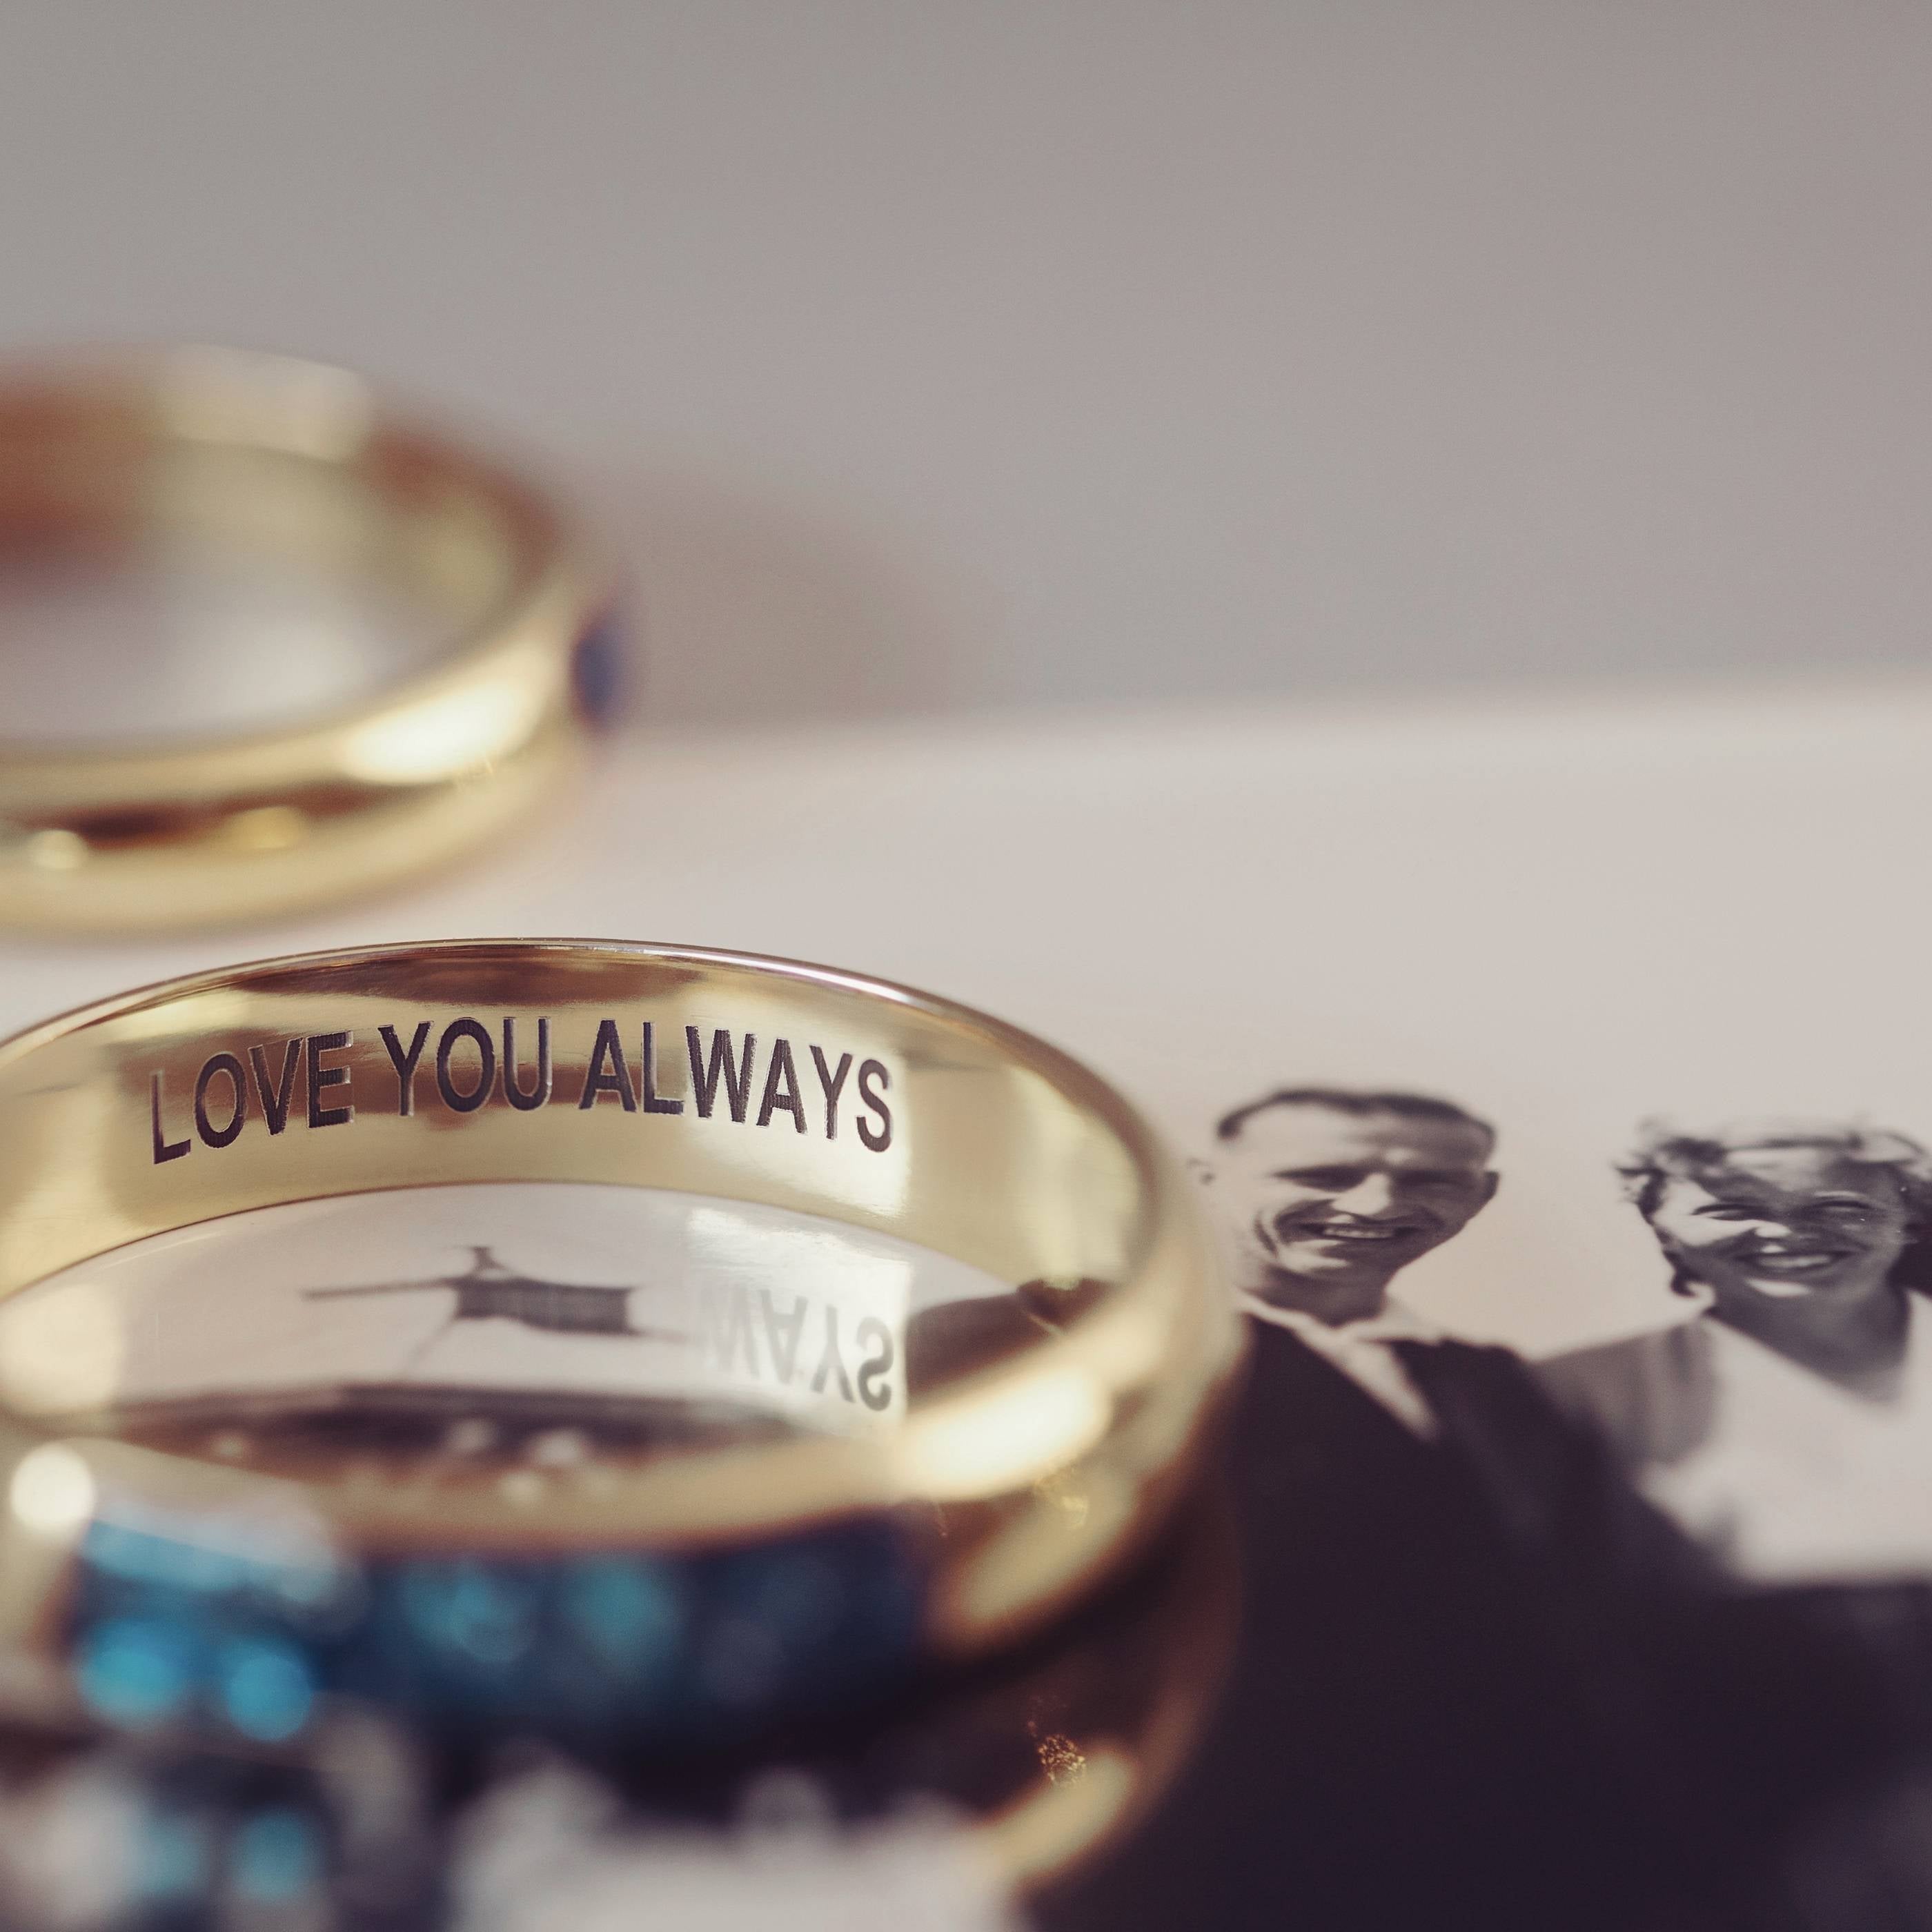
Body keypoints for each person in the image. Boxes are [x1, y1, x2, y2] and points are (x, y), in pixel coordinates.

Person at [1042, 1089, 1694, 1932]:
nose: (1377, 1204)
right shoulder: (1066, 1341)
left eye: (1430, 1179)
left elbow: (1593, 1603)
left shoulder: (1487, 1383)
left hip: (1505, 1855)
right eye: (1323, 1172)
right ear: (1204, 1178)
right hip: (1197, 1856)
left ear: (1479, 1195)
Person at [1546, 1118, 1932, 1588]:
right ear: (1662, 1230)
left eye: (1840, 1207)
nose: (1784, 1233)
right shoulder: (1578, 1387)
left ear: (1909, 1221)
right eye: (1730, 1211)